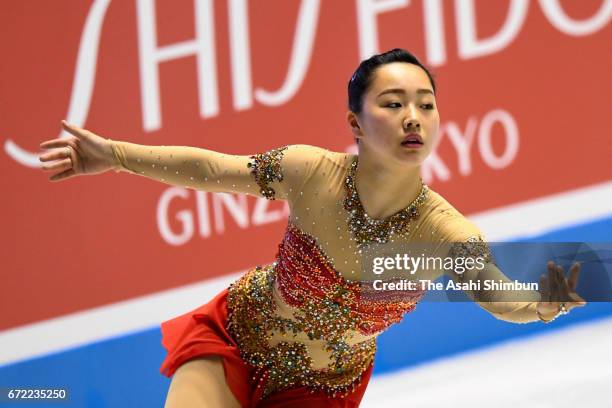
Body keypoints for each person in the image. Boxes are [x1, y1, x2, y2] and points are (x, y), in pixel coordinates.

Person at [38, 49, 586, 407]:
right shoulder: (308, 172)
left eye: (425, 104)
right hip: (237, 338)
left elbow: (497, 295)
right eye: (393, 104)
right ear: (355, 123)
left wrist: (542, 302)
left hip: (319, 390)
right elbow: (210, 169)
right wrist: (114, 155)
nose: (412, 117)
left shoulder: (442, 233)